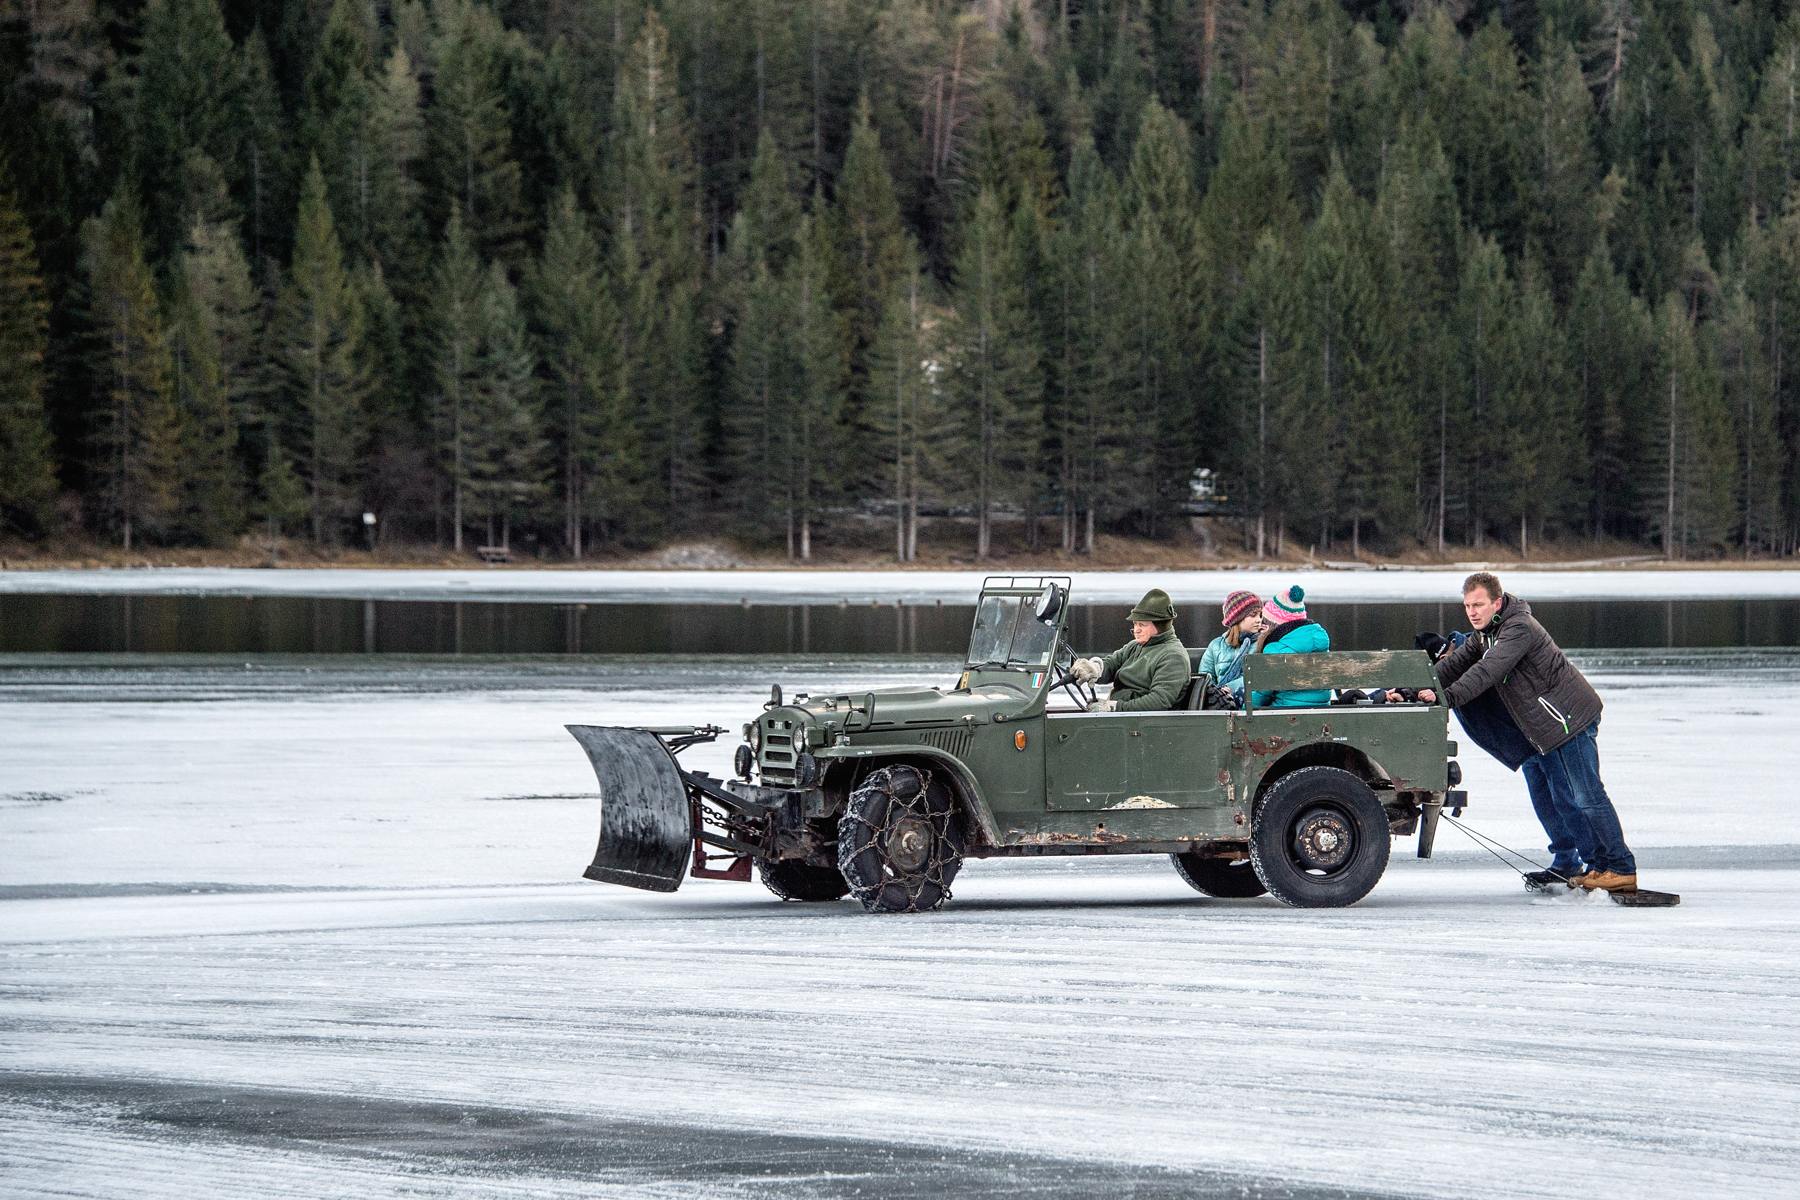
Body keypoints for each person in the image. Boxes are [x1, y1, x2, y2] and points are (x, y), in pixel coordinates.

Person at [1422, 572, 1639, 894]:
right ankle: (1583, 865)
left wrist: (1447, 698)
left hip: (1569, 720)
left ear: (1497, 602)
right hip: (1543, 730)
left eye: (1478, 605)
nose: (1472, 612)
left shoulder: (1518, 628)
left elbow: (1487, 670)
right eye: (1467, 606)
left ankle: (1619, 867)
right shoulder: (1486, 633)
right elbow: (1453, 666)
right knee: (1551, 797)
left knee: (1588, 796)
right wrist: (1410, 687)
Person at [1406, 632, 1596, 888]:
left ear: (1446, 651)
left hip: (1546, 731)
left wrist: (1440, 693)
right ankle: (1566, 860)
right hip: (1525, 742)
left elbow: (1472, 684)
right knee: (1544, 801)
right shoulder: (1455, 662)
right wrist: (1398, 692)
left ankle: (1596, 866)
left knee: (1566, 798)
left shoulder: (1478, 654)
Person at [1069, 589, 1189, 712]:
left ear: (1160, 627)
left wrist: (1114, 707)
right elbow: (1112, 664)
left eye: (1142, 625)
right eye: (1135, 624)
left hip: (1143, 724)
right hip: (1126, 718)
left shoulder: (1173, 656)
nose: (1136, 630)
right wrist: (1095, 667)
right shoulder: (1135, 646)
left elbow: (1159, 701)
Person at [1248, 585, 1330, 708]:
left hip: (1285, 712)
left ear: (1274, 623)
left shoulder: (1274, 649)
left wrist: (1244, 709)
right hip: (1322, 708)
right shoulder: (1321, 642)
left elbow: (1262, 694)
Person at [1196, 590, 1262, 701]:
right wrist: (1215, 694)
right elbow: (1205, 677)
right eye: (1253, 615)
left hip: (1249, 702)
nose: (1259, 620)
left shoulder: (1261, 644)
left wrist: (1229, 688)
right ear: (1237, 618)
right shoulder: (1216, 646)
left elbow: (1259, 675)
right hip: (1219, 702)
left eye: (1260, 615)